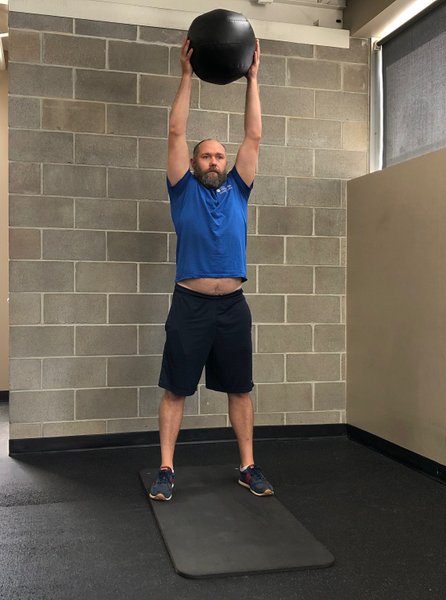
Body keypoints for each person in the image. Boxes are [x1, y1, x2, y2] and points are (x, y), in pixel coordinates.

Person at [149, 37, 273, 501]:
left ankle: (248, 465)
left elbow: (254, 136)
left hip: (233, 307)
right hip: (190, 306)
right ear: (195, 164)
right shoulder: (183, 190)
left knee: (240, 390)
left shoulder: (240, 190)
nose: (215, 160)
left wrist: (253, 80)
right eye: (207, 155)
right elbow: (176, 132)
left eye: (220, 155)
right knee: (176, 390)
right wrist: (186, 76)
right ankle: (166, 469)